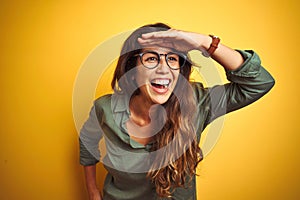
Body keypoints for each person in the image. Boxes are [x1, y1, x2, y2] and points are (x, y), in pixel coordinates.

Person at [79, 23, 275, 200]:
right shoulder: (104, 108)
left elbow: (259, 82)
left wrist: (205, 43)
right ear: (132, 68)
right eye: (151, 58)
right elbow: (87, 141)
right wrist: (93, 191)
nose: (164, 69)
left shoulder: (196, 103)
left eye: (172, 59)